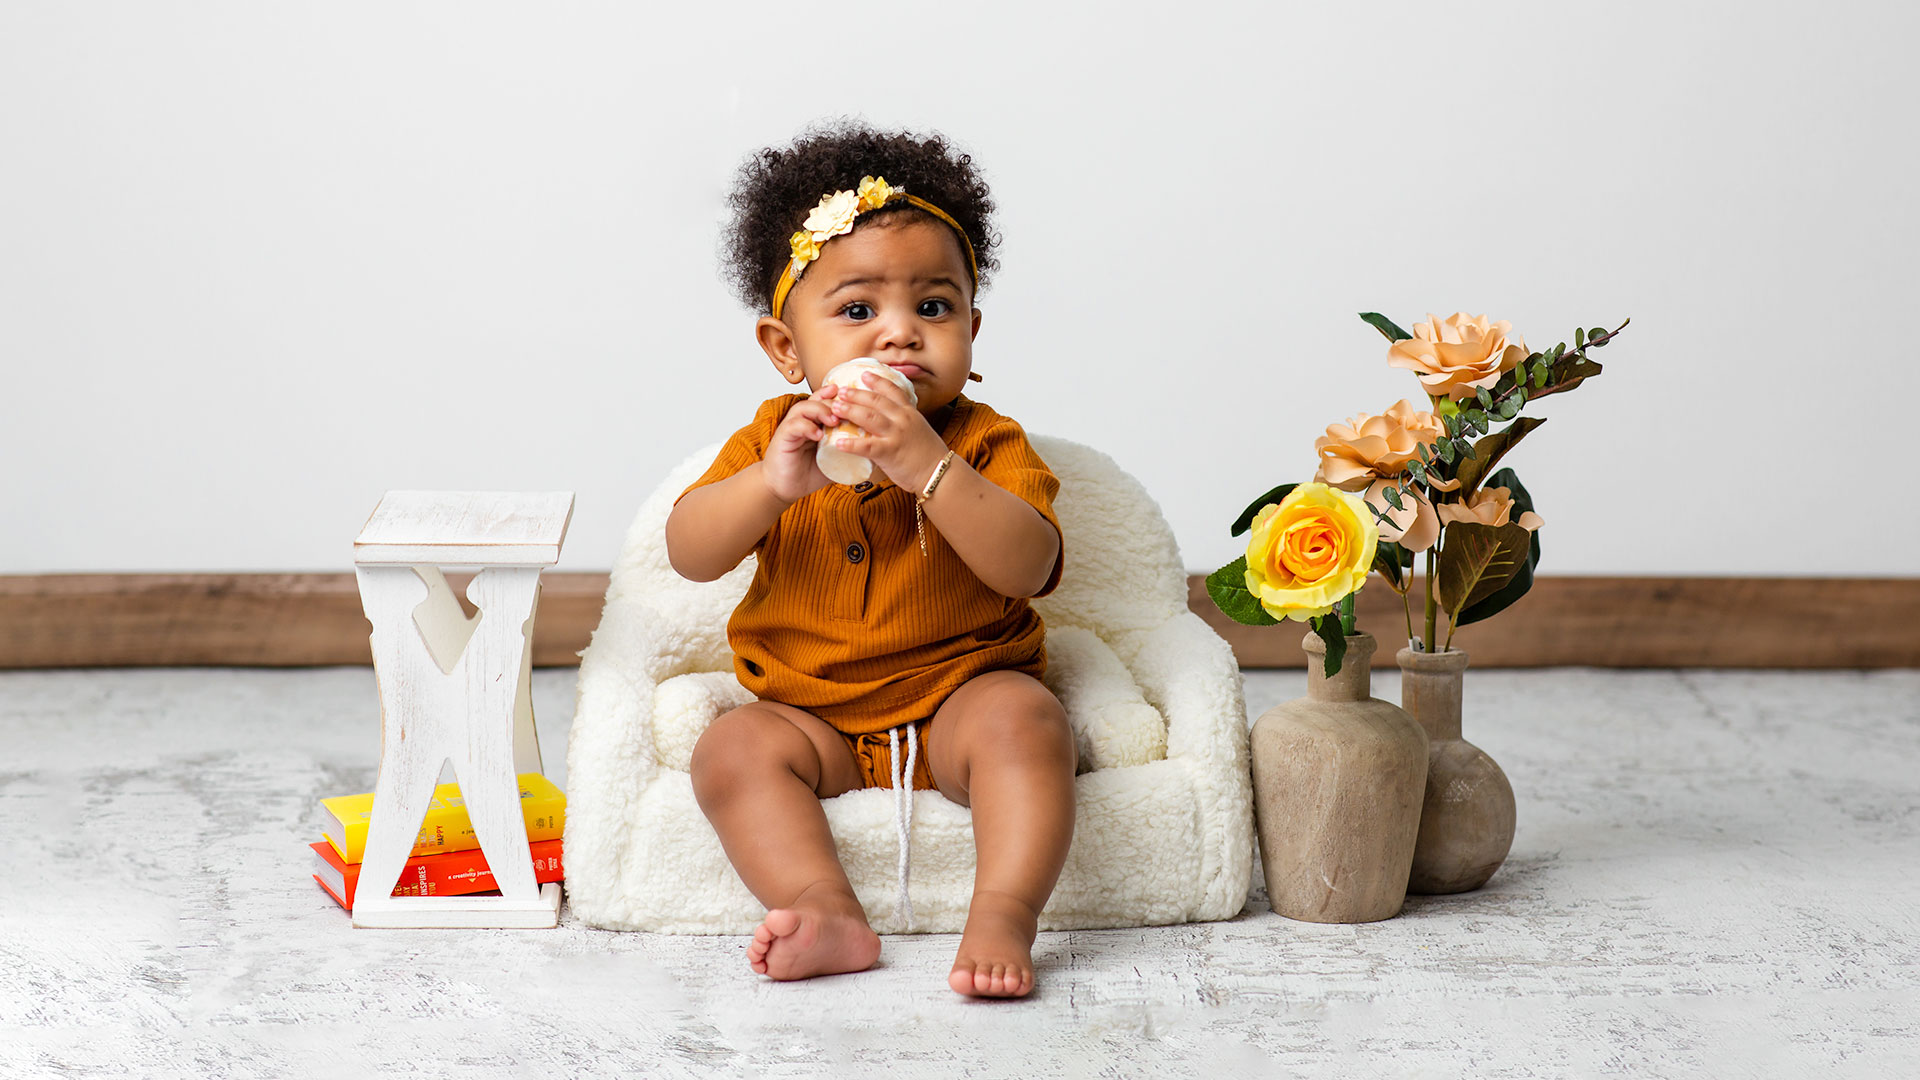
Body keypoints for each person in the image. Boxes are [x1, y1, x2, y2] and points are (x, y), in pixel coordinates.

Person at [664, 123, 1074, 999]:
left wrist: (929, 465)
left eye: (933, 308)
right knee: (730, 751)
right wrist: (772, 488)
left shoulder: (981, 440)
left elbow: (1028, 565)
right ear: (786, 349)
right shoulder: (774, 439)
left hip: (961, 699)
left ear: (971, 324)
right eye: (857, 312)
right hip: (814, 719)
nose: (899, 336)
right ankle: (826, 906)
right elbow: (689, 552)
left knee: (1028, 722)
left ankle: (1003, 908)